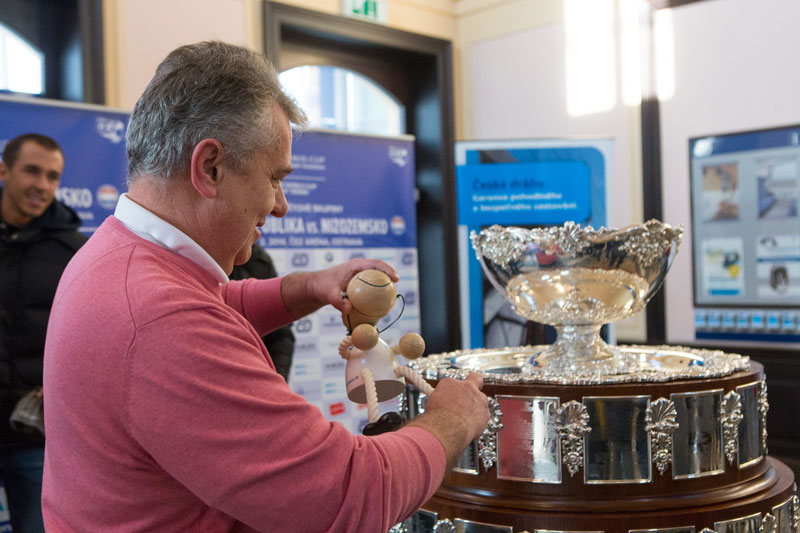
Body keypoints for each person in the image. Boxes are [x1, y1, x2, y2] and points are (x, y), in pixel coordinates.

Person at [42, 41, 489, 531]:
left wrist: (308, 287)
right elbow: (349, 496)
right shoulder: (162, 319)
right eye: (274, 178)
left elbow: (219, 303)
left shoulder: (120, 254)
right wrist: (451, 420)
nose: (281, 205)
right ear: (210, 168)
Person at [0, 133, 86, 533]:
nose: (43, 185)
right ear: (4, 170)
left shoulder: (73, 251)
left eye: (53, 176)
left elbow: (91, 336)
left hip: (35, 436)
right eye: (32, 171)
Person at [230, 243, 295, 381]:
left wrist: (277, 378)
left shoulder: (260, 259)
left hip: (260, 380)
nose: (261, 221)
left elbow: (281, 334)